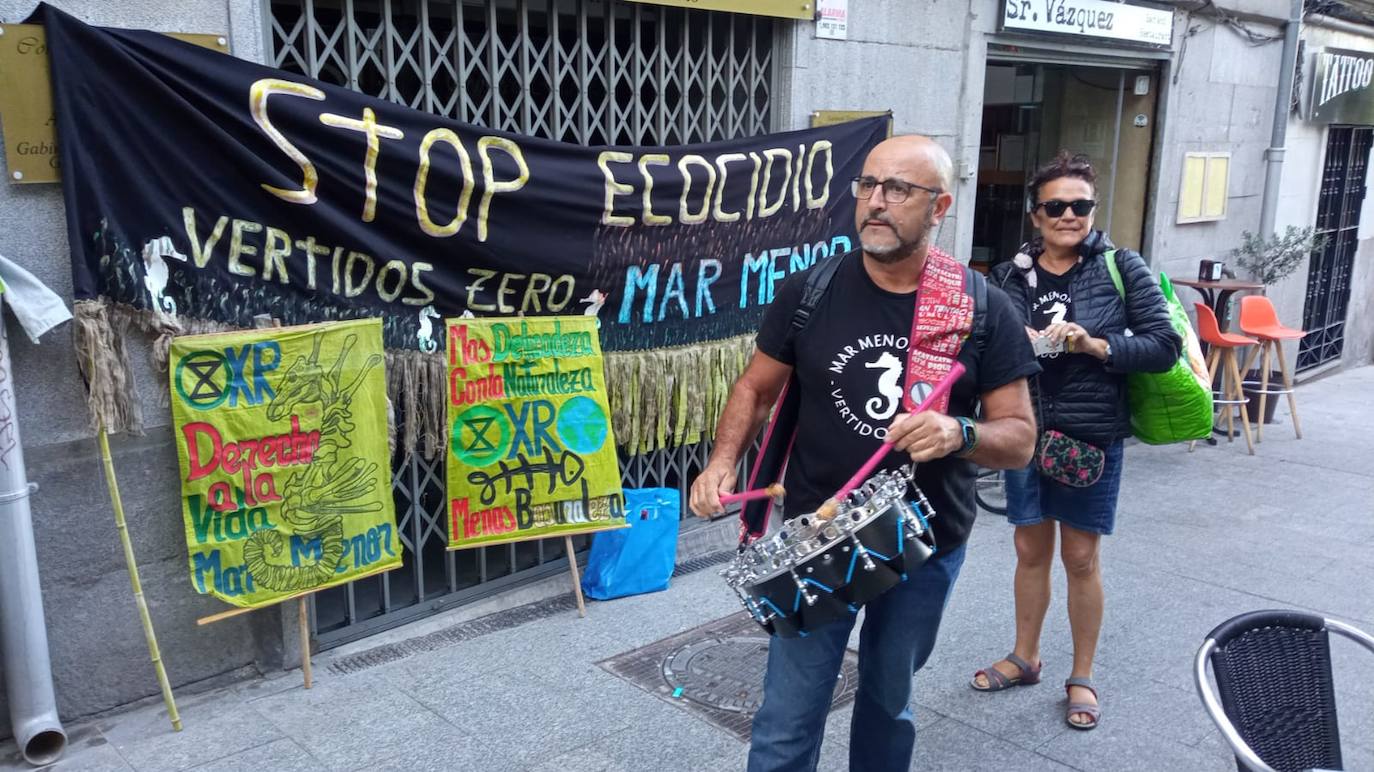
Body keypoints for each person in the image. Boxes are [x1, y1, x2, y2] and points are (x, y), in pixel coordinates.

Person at [688, 135, 1039, 772]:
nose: (876, 203)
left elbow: (1019, 438)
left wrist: (960, 433)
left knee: (886, 703)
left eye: (898, 189)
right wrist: (721, 462)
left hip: (923, 542)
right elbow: (755, 387)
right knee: (786, 716)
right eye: (868, 186)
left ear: (940, 208)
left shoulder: (981, 308)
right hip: (816, 538)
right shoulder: (812, 290)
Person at [972, 151, 1181, 731]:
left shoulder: (1121, 266)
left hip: (1090, 434)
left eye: (1081, 206)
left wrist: (1095, 345)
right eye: (1056, 206)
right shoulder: (1009, 274)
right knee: (1028, 550)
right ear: (1036, 214)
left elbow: (1163, 346)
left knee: (1082, 557)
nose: (1070, 216)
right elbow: (987, 344)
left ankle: (1082, 674)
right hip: (1024, 433)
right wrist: (1021, 341)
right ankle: (1026, 656)